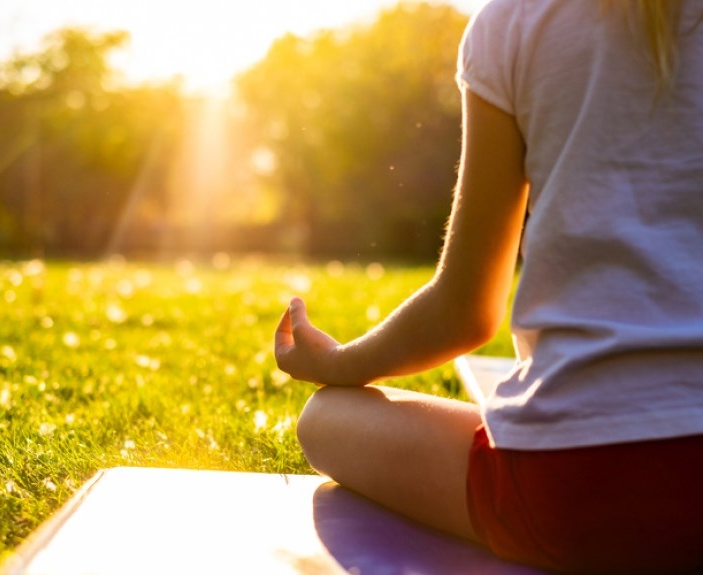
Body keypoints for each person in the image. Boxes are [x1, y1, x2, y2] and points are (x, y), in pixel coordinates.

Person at [274, 1, 703, 573]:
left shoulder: (518, 22)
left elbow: (465, 312)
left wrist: (341, 363)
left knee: (324, 418)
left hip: (568, 491)